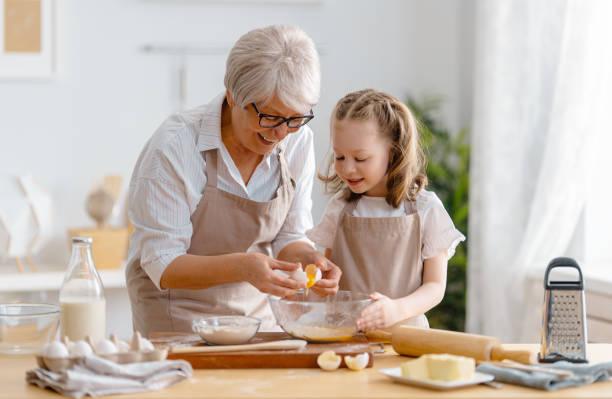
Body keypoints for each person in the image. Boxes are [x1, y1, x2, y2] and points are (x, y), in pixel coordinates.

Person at [126, 25, 341, 337]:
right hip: (177, 319)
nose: (281, 133)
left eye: (294, 119)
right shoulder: (175, 147)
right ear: (232, 96)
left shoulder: (297, 140)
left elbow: (289, 235)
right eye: (269, 117)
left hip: (257, 318)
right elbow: (163, 262)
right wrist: (243, 267)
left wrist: (311, 261)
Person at [307, 89, 465, 332]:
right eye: (340, 156)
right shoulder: (339, 208)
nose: (348, 169)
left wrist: (397, 309)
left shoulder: (426, 209)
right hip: (344, 337)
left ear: (392, 152)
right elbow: (329, 278)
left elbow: (435, 287)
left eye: (360, 158)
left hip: (406, 339)